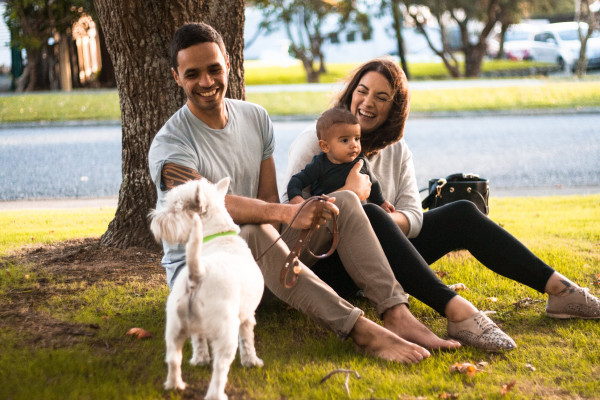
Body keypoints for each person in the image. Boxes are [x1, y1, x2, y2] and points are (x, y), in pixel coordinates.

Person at [147, 22, 471, 365]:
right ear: (176, 76)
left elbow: (270, 200)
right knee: (254, 231)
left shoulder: (254, 117)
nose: (206, 82)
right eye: (192, 73)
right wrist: (288, 213)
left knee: (342, 201)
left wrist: (296, 212)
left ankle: (396, 313)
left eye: (214, 69)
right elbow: (209, 202)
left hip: (260, 271)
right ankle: (361, 331)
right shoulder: (171, 142)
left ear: (228, 64)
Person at [283, 57, 600, 350]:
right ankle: (457, 311)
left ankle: (560, 291)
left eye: (381, 97)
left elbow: (413, 215)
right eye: (362, 92)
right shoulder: (316, 141)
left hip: (385, 252)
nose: (367, 103)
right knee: (367, 213)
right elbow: (289, 220)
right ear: (351, 93)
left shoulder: (397, 149)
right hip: (328, 264)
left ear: (395, 107)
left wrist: (386, 223)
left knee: (461, 212)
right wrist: (355, 201)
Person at [287, 107, 394, 213]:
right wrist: (296, 199)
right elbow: (297, 181)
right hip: (329, 217)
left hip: (357, 214)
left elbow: (373, 184)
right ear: (325, 146)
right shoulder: (320, 164)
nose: (354, 145)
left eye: (357, 138)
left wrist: (381, 202)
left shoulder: (361, 161)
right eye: (345, 140)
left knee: (374, 210)